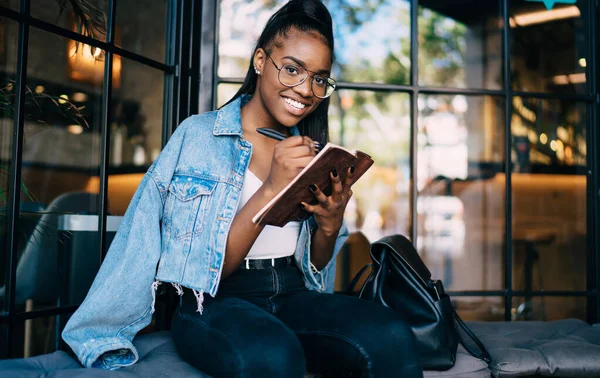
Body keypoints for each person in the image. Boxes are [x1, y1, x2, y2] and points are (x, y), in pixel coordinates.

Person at [62, 1, 423, 377]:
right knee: (273, 355)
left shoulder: (312, 153)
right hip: (214, 304)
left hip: (293, 290)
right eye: (292, 69)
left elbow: (315, 270)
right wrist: (270, 188)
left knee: (391, 334)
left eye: (319, 78)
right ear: (260, 61)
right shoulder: (199, 136)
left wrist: (330, 226)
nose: (305, 90)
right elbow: (185, 260)